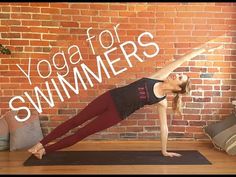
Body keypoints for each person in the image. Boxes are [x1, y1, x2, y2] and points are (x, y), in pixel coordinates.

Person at [28, 42, 222, 159]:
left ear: (178, 89)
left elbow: (164, 128)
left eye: (180, 79)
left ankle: (45, 151)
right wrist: (200, 51)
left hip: (116, 114)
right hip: (109, 98)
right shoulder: (159, 76)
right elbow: (180, 60)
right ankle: (40, 144)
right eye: (179, 75)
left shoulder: (161, 100)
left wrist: (164, 151)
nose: (177, 75)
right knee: (74, 121)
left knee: (81, 133)